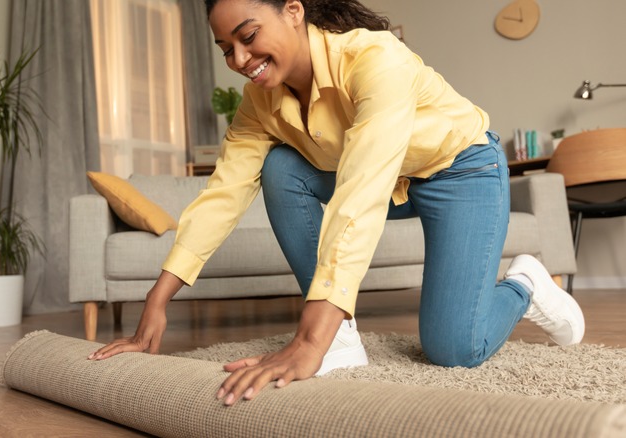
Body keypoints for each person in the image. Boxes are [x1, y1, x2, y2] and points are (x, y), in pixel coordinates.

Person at [90, 0, 585, 407]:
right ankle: (341, 335)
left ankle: (525, 283)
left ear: (292, 11)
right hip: (386, 183)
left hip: (461, 173)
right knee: (281, 166)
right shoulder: (258, 103)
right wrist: (156, 301)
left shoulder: (374, 58)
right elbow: (223, 193)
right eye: (226, 49)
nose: (240, 59)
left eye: (248, 35)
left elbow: (361, 189)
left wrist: (307, 342)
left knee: (454, 349)